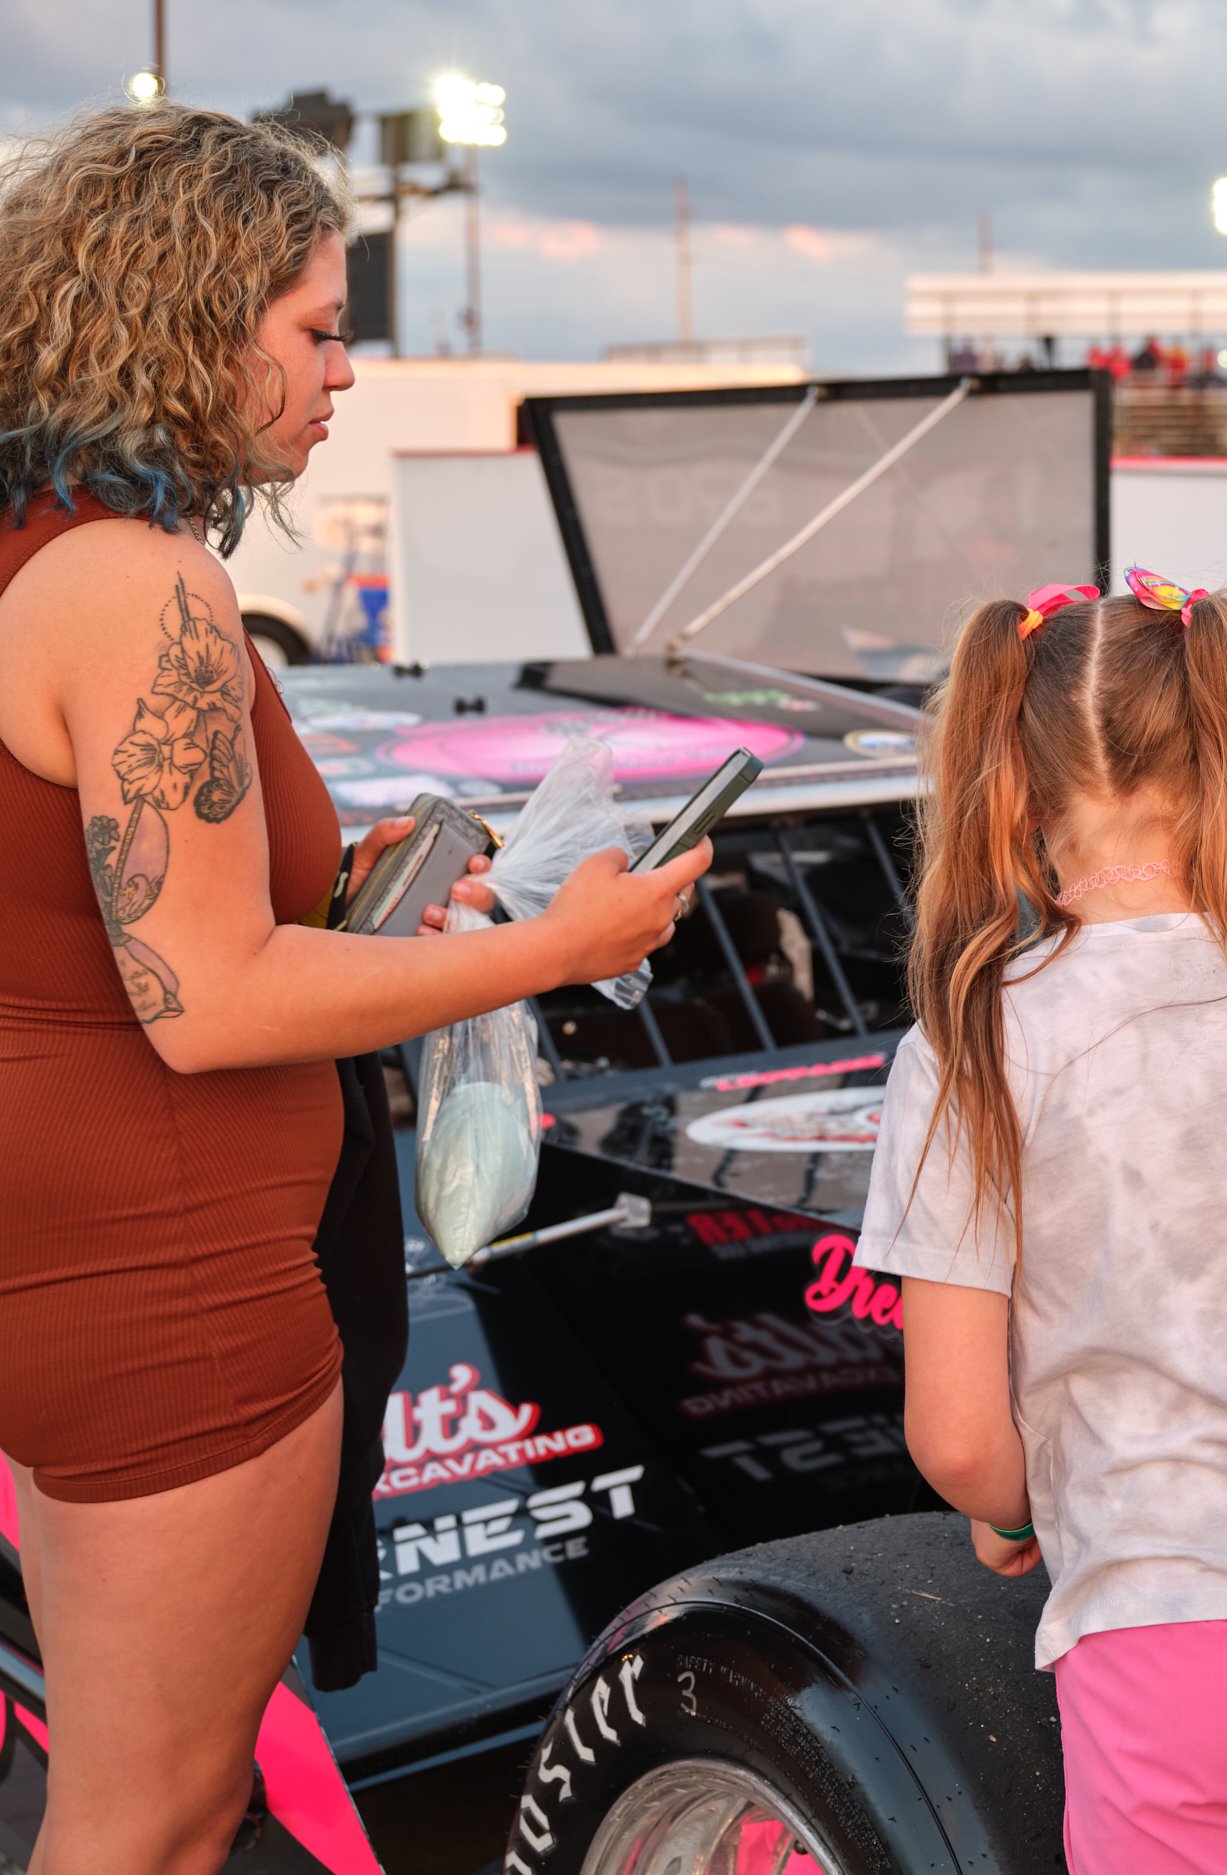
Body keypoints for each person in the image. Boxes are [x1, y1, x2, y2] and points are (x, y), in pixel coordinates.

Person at [0, 105, 715, 1875]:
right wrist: (563, 945)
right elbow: (212, 1000)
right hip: (169, 1288)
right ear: (186, 316)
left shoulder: (39, 555)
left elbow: (101, 921)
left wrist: (360, 894)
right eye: (317, 328)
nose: (344, 376)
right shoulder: (145, 588)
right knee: (153, 1830)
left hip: (82, 1261)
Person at [854, 572, 1227, 1873]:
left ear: (1009, 790)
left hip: (1160, 1617)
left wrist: (1018, 1512)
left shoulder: (972, 1041)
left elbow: (960, 1436)